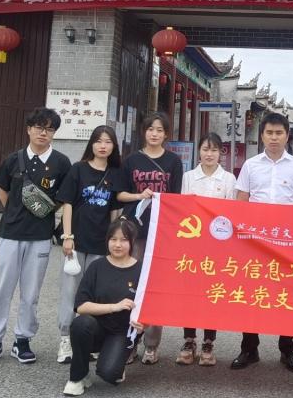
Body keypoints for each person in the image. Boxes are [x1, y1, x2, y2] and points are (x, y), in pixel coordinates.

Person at [0, 108, 72, 367]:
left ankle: (23, 339)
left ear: (54, 133)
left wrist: (41, 213)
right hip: (10, 234)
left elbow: (64, 199)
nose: (43, 133)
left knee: (31, 292)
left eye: (49, 129)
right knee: (1, 289)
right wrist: (16, 213)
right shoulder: (13, 160)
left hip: (40, 236)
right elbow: (3, 192)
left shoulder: (61, 163)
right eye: (38, 127)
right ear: (28, 129)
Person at [230, 112, 293, 373]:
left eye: (279, 133)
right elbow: (241, 201)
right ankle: (249, 348)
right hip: (255, 241)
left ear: (287, 136)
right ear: (262, 135)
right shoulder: (251, 165)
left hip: (286, 242)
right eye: (269, 133)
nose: (274, 138)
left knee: (287, 294)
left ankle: (287, 349)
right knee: (253, 293)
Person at [54, 125, 127, 365]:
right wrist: (67, 236)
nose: (103, 146)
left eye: (108, 141)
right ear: (92, 144)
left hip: (100, 244)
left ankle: (93, 340)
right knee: (70, 292)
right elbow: (67, 204)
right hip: (76, 243)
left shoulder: (115, 174)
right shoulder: (78, 169)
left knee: (98, 295)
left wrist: (114, 243)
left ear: (114, 146)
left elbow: (115, 212)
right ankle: (65, 338)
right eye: (98, 141)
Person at [116, 111, 184, 365]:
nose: (154, 134)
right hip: (134, 232)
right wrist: (139, 196)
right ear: (143, 132)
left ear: (166, 134)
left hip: (161, 233)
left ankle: (152, 344)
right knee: (131, 285)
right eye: (150, 129)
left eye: (159, 130)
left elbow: (176, 199)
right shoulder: (131, 160)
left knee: (155, 287)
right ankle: (129, 341)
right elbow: (120, 194)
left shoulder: (173, 162)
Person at [176, 132, 238, 366]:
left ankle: (209, 341)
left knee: (213, 293)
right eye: (205, 149)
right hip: (192, 245)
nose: (209, 154)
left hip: (217, 247)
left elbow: (232, 214)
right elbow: (182, 210)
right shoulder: (189, 177)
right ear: (199, 151)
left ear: (221, 153)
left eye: (214, 150)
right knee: (190, 293)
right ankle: (189, 340)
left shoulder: (229, 179)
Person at [62, 219, 144, 395]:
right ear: (107, 240)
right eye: (113, 239)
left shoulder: (141, 271)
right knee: (80, 324)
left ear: (132, 242)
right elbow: (81, 306)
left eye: (123, 240)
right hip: (95, 327)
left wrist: (145, 324)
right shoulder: (97, 266)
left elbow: (150, 308)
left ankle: (116, 362)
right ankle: (78, 377)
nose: (118, 244)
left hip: (122, 332)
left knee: (109, 373)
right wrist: (114, 307)